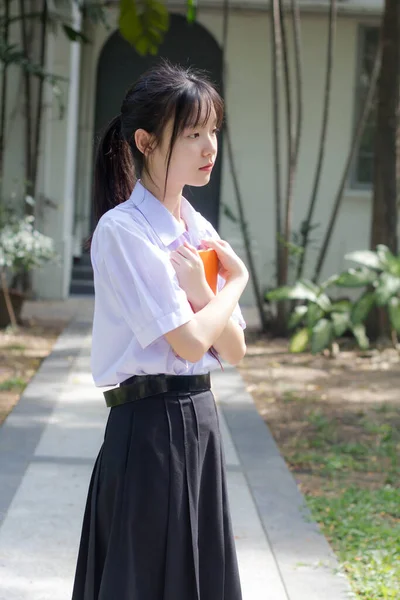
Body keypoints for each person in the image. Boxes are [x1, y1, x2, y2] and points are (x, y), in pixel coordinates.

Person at [71, 60, 249, 600]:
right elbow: (193, 342)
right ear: (146, 141)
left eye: (212, 131)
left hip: (200, 419)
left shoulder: (199, 228)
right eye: (192, 134)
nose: (208, 147)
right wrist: (234, 284)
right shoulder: (123, 231)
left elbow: (235, 350)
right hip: (146, 428)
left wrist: (204, 292)